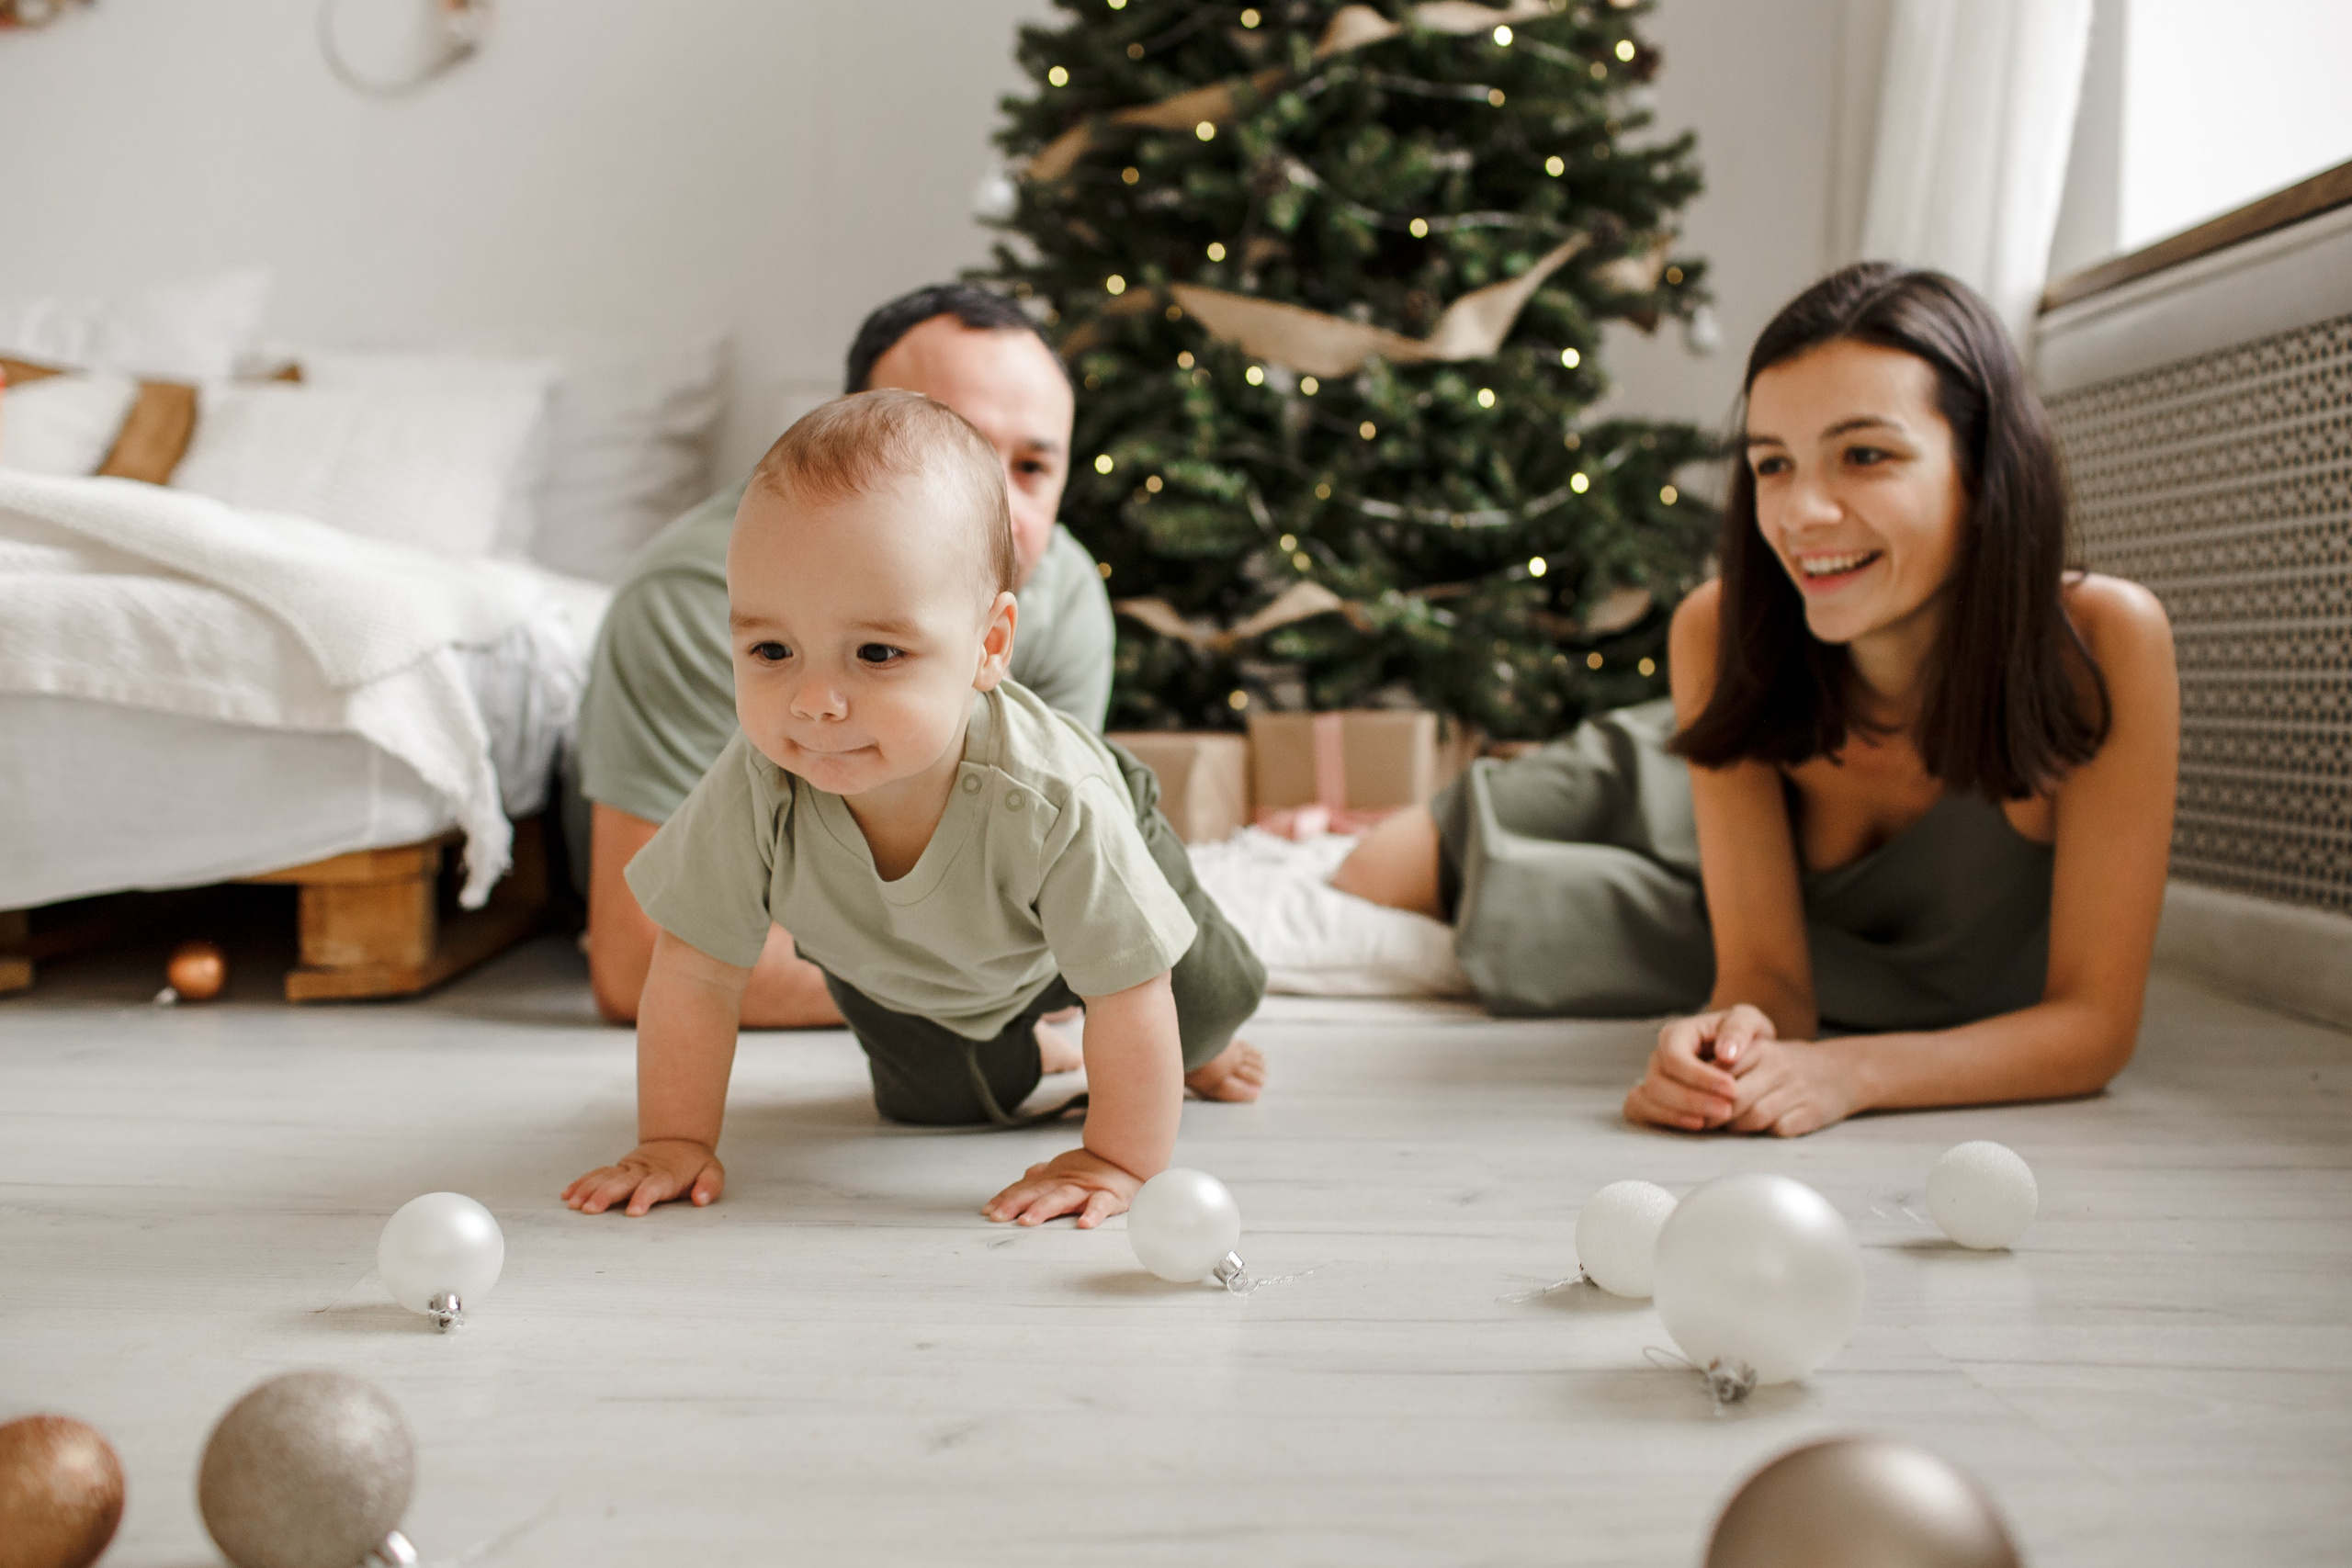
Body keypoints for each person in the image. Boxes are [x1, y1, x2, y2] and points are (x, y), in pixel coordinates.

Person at [1332, 263, 2179, 1137]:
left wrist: (1838, 1071)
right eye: (1772, 463)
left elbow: (2095, 1028)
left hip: (1714, 897)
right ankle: (1329, 819)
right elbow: (1766, 982)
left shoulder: (2102, 643)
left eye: (1865, 454)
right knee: (1373, 869)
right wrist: (1740, 1034)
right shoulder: (1719, 631)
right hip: (1676, 764)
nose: (1802, 511)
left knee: (1546, 923)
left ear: (1984, 466)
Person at [563, 391, 1267, 1223]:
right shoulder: (759, 782)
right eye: (771, 650)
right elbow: (693, 970)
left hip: (1097, 880)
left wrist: (1115, 1157)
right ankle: (1036, 1046)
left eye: (877, 652)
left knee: (1205, 999)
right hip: (904, 962)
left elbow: (1130, 988)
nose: (814, 700)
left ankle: (1193, 1054)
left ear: (990, 645)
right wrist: (674, 1139)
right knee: (937, 1107)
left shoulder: (1054, 796)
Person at [572, 284, 1116, 1029]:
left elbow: (1054, 888)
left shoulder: (1057, 587)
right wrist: (960, 1002)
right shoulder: (693, 598)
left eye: (1031, 469)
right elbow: (638, 958)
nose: (1000, 505)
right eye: (953, 449)